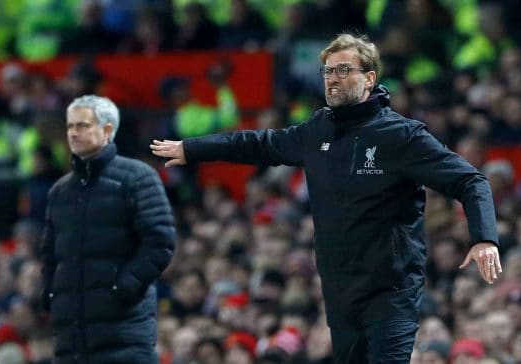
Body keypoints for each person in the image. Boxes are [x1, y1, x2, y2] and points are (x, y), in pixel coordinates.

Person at [150, 33, 502, 363]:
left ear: (369, 78)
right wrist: (192, 147)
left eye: (344, 70)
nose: (332, 78)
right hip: (338, 290)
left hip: (389, 290)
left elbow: (471, 181)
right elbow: (259, 143)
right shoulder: (316, 128)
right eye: (327, 71)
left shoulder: (401, 136)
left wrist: (484, 238)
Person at [40, 95, 176, 363]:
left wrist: (123, 288)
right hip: (71, 339)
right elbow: (49, 254)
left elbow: (160, 242)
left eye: (82, 125)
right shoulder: (60, 190)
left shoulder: (137, 177)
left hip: (123, 333)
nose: (73, 133)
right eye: (70, 126)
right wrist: (50, 295)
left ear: (107, 130)